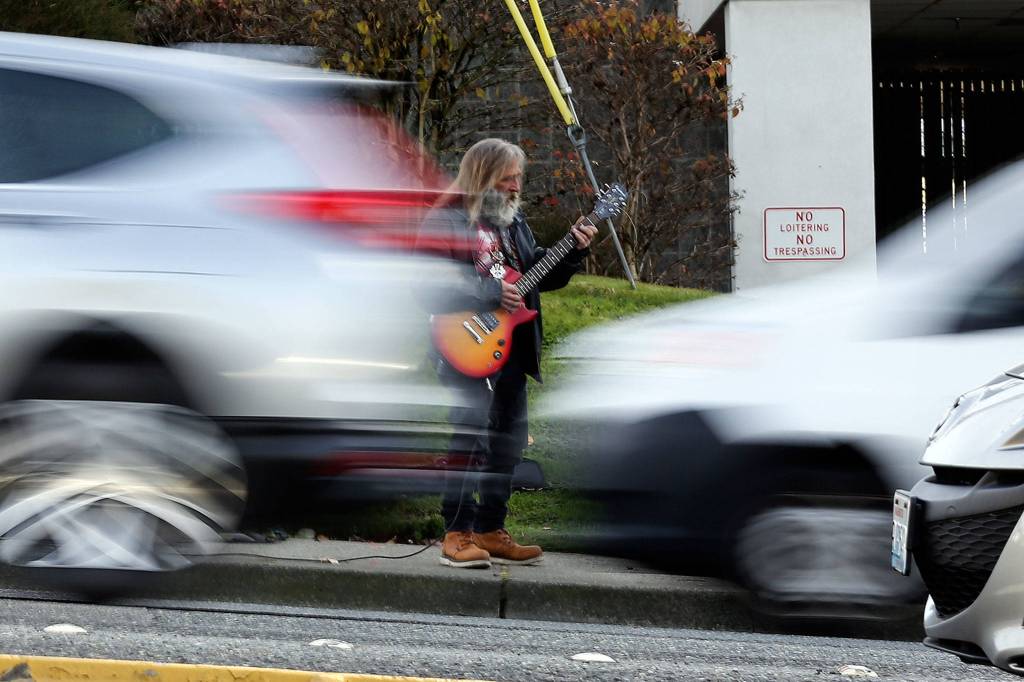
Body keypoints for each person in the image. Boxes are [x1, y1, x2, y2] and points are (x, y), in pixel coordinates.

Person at [421, 138, 597, 569]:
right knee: (470, 441)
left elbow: (535, 274)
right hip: (465, 344)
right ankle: (455, 534)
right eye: (509, 176)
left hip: (512, 348)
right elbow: (426, 285)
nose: (517, 185)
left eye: (519, 176)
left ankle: (488, 529)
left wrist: (573, 252)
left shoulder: (513, 224)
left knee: (508, 445)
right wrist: (488, 291)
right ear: (483, 175)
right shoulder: (446, 220)